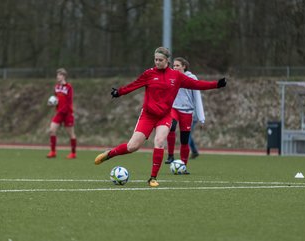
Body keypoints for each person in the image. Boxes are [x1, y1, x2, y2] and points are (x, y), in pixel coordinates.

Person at [94, 47, 227, 187]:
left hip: (164, 116)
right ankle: (110, 154)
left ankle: (152, 178)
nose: (157, 62)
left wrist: (216, 84)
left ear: (167, 60)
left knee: (159, 142)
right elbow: (134, 85)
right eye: (155, 59)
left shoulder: (177, 76)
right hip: (148, 115)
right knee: (132, 147)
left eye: (160, 60)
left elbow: (196, 84)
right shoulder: (149, 74)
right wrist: (119, 92)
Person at [164, 57, 205, 173]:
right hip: (174, 109)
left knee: (184, 140)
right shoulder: (171, 76)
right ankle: (170, 156)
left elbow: (197, 98)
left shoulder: (192, 78)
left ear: (184, 67)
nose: (175, 67)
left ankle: (183, 166)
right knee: (171, 126)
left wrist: (201, 118)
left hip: (187, 112)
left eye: (177, 65)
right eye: (174, 66)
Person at [46, 68, 77, 159]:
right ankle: (53, 152)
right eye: (57, 75)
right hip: (59, 113)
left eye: (59, 75)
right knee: (52, 130)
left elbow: (69, 102)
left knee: (71, 134)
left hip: (67, 113)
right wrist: (52, 103)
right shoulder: (56, 87)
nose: (57, 77)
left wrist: (63, 110)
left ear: (63, 76)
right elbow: (56, 99)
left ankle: (73, 153)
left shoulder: (69, 87)